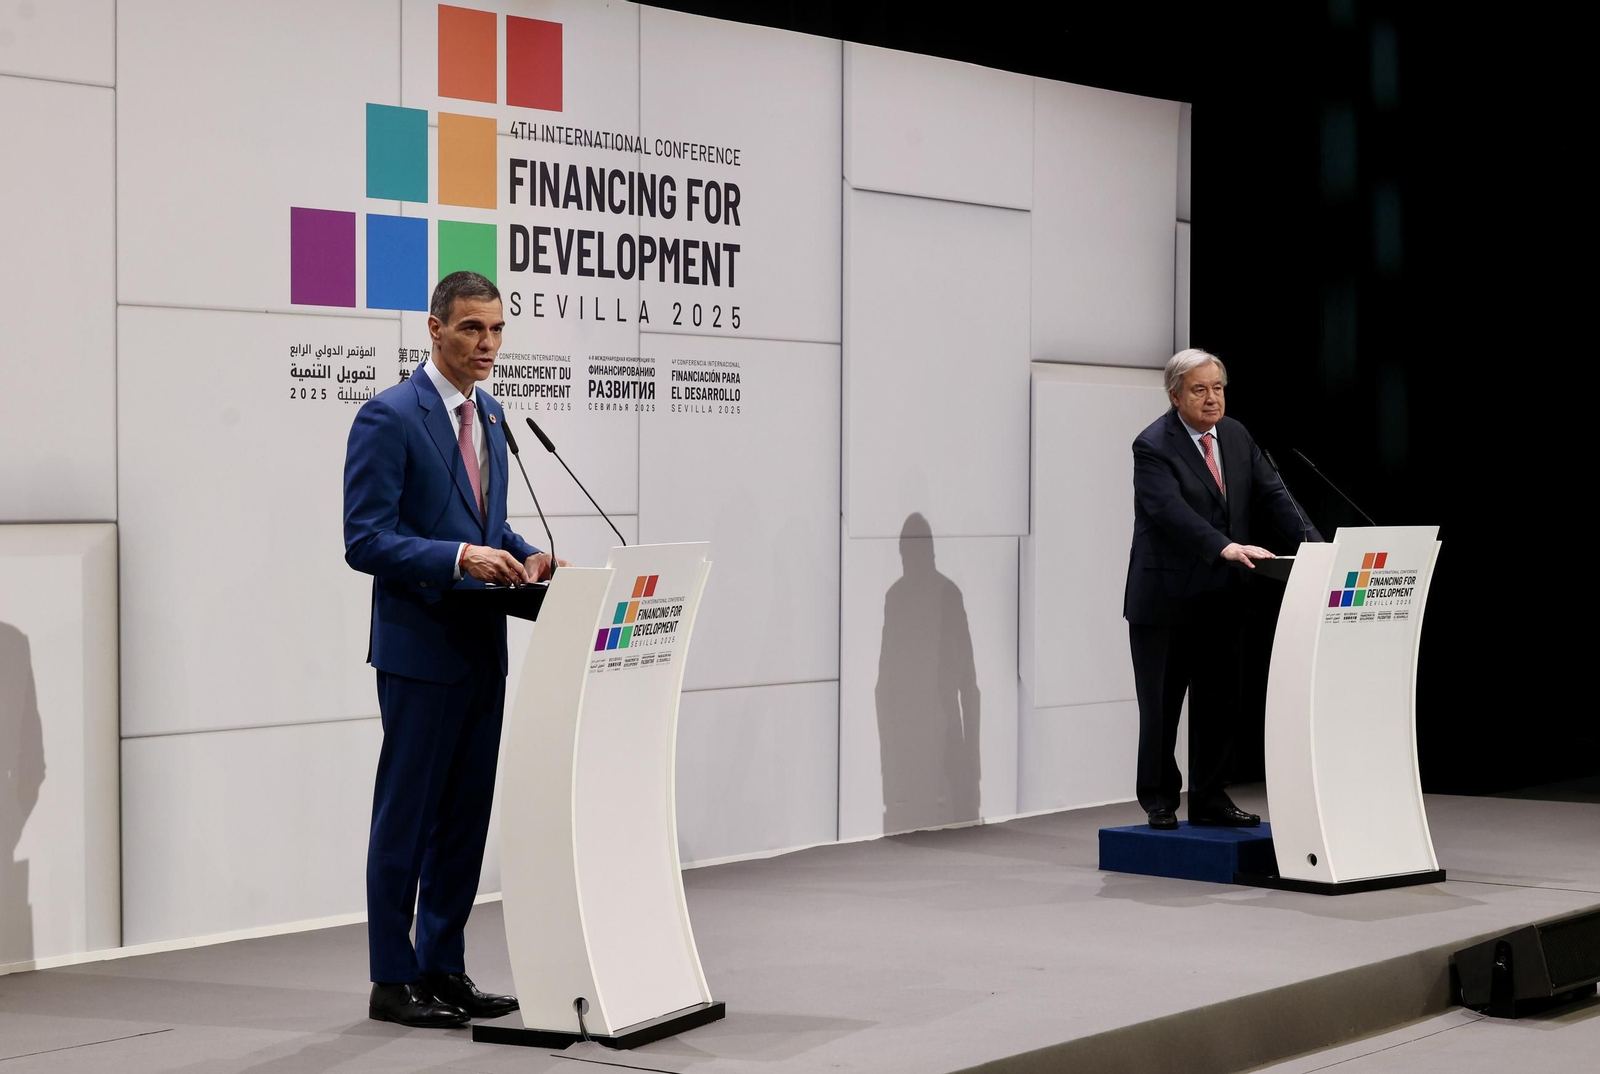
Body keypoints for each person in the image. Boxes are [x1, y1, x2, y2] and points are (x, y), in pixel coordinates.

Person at [344, 271, 566, 1027]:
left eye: (498, 330)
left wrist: (529, 556)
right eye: (473, 329)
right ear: (433, 329)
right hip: (419, 652)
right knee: (405, 818)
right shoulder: (389, 418)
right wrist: (457, 560)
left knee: (465, 819)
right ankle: (390, 977)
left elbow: (490, 527)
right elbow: (365, 540)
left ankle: (443, 965)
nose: (488, 345)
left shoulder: (493, 415)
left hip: (484, 649)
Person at [1123, 348, 1320, 831]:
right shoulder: (1152, 446)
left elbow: (1274, 494)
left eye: (1218, 388)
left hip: (1223, 597)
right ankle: (1159, 798)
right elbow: (1170, 514)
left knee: (1220, 705)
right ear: (1175, 396)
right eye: (1199, 390)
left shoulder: (1234, 435)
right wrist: (1223, 546)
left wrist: (1318, 549)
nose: (1212, 399)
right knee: (1162, 708)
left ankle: (1210, 797)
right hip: (1166, 600)